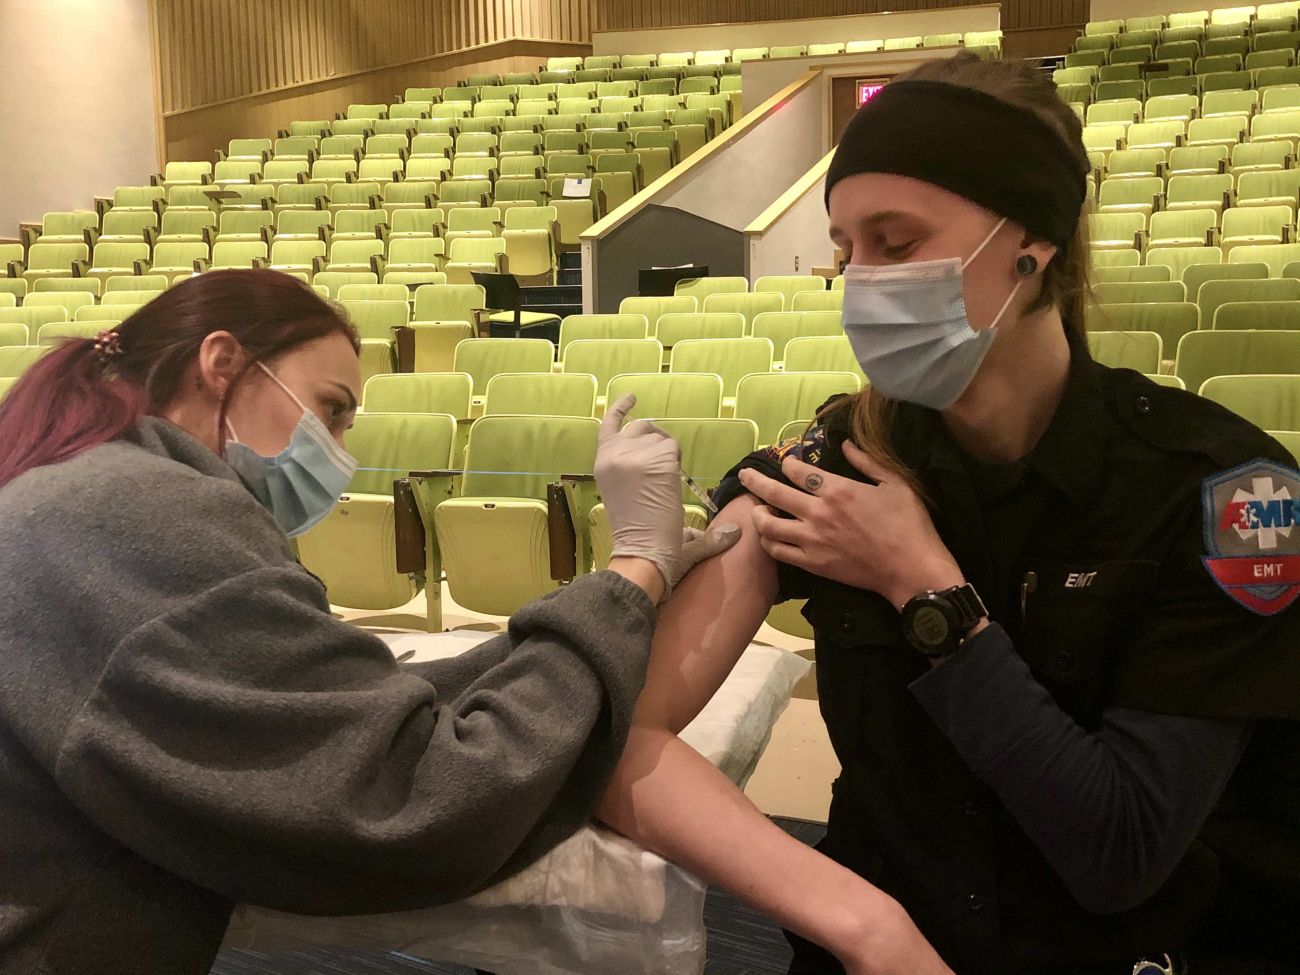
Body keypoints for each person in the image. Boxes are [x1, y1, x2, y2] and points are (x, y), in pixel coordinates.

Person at [593, 53, 1300, 975]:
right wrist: (861, 924)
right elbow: (617, 736)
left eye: (895, 241)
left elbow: (1117, 853)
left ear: (1031, 245)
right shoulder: (839, 459)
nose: (858, 281)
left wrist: (924, 588)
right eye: (846, 247)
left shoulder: (1229, 492)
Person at [0, 269, 742, 974]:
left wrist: (616, 601)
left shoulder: (77, 481)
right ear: (222, 362)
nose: (342, 457)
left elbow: (336, 704)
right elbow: (410, 798)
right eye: (330, 411)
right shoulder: (146, 516)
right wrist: (634, 567)